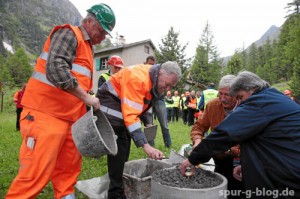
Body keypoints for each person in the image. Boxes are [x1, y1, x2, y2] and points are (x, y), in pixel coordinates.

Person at [5, 4, 114, 199]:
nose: (103, 37)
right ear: (89, 22)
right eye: (102, 31)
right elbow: (56, 68)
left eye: (106, 33)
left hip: (71, 121)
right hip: (45, 114)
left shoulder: (88, 48)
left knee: (67, 173)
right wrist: (87, 98)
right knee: (34, 175)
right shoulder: (69, 34)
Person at [181, 71, 300, 198]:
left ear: (252, 89)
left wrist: (193, 159)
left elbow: (225, 134)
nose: (241, 102)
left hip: (288, 172)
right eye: (220, 94)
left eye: (240, 97)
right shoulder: (274, 97)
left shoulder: (259, 103)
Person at [96, 61, 182, 199]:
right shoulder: (137, 78)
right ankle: (115, 193)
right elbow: (130, 115)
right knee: (118, 150)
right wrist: (145, 146)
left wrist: (147, 122)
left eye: (171, 86)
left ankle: (118, 186)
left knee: (124, 149)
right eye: (167, 84)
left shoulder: (153, 80)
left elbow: (143, 104)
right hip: (111, 112)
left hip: (122, 111)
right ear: (160, 72)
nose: (167, 89)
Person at [190, 75, 243, 198]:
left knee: (237, 191)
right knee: (220, 188)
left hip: (240, 159)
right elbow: (199, 127)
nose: (222, 98)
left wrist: (232, 151)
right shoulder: (212, 105)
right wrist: (197, 141)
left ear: (237, 94)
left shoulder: (245, 108)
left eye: (227, 94)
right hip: (219, 157)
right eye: (220, 94)